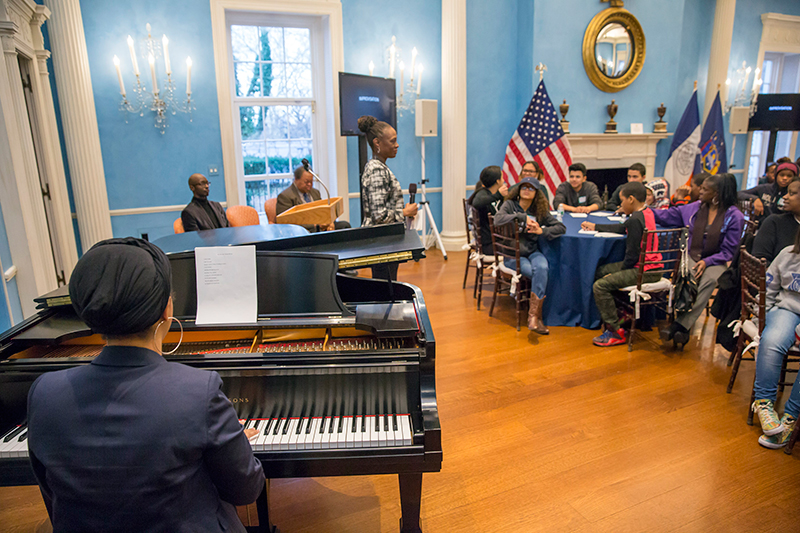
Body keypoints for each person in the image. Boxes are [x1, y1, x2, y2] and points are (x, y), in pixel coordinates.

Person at [27, 238, 265, 532]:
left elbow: (52, 493)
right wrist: (234, 444)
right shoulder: (197, 391)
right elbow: (245, 491)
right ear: (166, 311)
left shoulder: (44, 393)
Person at [654, 173, 745, 348]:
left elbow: (728, 251)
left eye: (705, 189)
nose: (699, 191)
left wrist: (708, 261)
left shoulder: (734, 217)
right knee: (688, 274)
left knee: (709, 280)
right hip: (692, 255)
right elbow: (668, 215)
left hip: (718, 259)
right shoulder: (694, 208)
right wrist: (644, 211)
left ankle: (680, 325)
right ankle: (684, 329)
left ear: (717, 194)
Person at [582, 182, 663, 346]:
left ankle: (615, 331)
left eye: (622, 201)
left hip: (643, 270)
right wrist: (595, 226)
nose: (620, 205)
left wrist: (618, 274)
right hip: (653, 266)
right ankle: (622, 313)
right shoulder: (646, 213)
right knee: (601, 271)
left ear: (631, 199)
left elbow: (632, 255)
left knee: (600, 285)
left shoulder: (634, 220)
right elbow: (622, 228)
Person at [494, 177, 566, 334]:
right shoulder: (510, 205)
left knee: (542, 267)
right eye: (524, 187)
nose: (527, 190)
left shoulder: (539, 211)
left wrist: (543, 231)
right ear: (518, 191)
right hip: (513, 255)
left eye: (531, 188)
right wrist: (521, 217)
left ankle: (534, 317)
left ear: (536, 193)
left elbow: (561, 227)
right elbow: (497, 219)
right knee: (536, 272)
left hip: (532, 251)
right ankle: (536, 318)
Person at [749, 228, 800, 449]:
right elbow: (768, 290)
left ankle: (791, 417)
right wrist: (763, 318)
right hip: (786, 309)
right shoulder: (788, 254)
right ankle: (764, 404)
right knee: (772, 341)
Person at [358, 115, 418, 281]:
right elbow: (379, 216)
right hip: (381, 242)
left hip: (385, 241)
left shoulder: (378, 166)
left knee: (386, 286)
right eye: (392, 141)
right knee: (385, 290)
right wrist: (404, 212)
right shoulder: (376, 169)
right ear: (377, 143)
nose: (397, 145)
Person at [276, 166, 352, 232]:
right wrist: (316, 225)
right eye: (306, 182)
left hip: (322, 226)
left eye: (311, 182)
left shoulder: (315, 193)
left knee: (344, 225)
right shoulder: (285, 196)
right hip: (306, 230)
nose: (309, 184)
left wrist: (330, 222)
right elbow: (285, 224)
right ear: (296, 179)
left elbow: (324, 211)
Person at [752, 179, 800, 265]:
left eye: (791, 194)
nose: (785, 197)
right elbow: (760, 260)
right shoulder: (774, 222)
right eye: (787, 192)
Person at [468, 165, 508, 255]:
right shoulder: (482, 193)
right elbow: (477, 203)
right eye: (502, 178)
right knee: (522, 249)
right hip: (488, 245)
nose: (504, 181)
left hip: (494, 241)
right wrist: (498, 195)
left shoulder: (490, 195)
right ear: (498, 181)